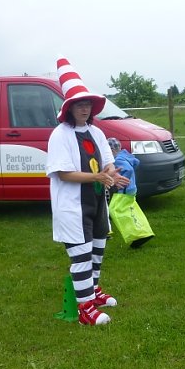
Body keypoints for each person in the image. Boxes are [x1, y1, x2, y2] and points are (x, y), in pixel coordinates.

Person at [46, 57, 129, 326]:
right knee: (80, 257)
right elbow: (63, 173)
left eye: (87, 104)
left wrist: (112, 174)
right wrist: (98, 176)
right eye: (79, 104)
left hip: (95, 202)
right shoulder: (60, 135)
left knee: (97, 250)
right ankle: (84, 309)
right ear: (69, 109)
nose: (84, 108)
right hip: (73, 206)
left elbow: (107, 160)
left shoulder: (96, 131)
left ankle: (92, 292)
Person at [107, 137, 154, 248]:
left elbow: (128, 169)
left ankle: (136, 234)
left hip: (125, 190)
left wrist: (123, 181)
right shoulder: (125, 156)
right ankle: (143, 232)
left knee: (115, 209)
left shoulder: (118, 159)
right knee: (131, 210)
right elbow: (135, 164)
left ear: (112, 151)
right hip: (132, 188)